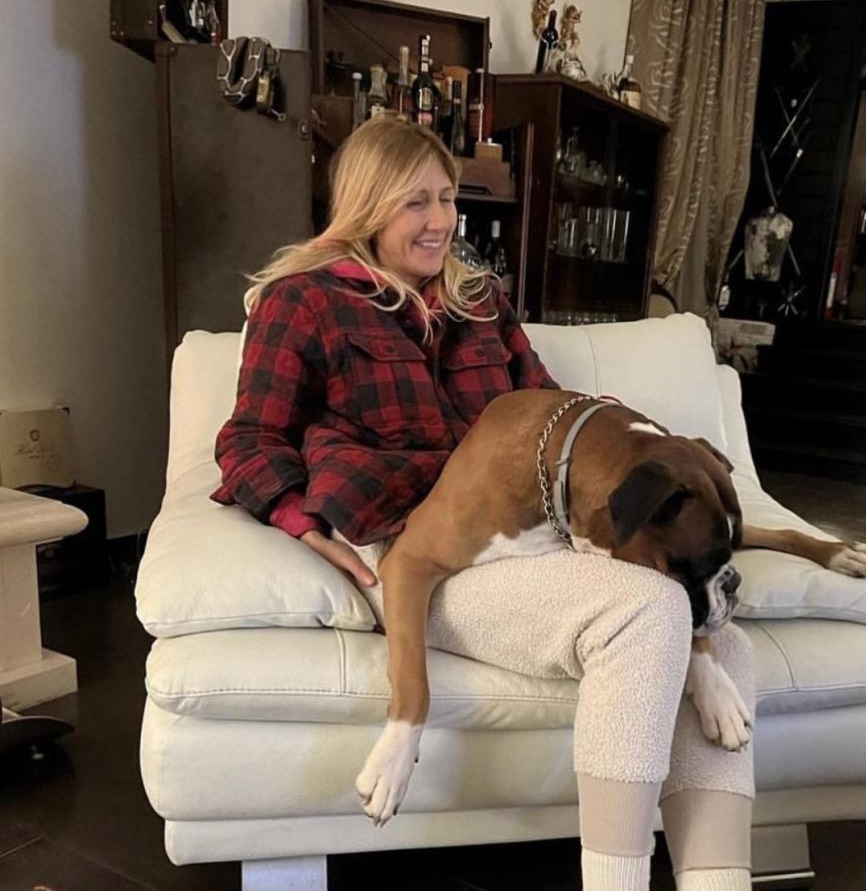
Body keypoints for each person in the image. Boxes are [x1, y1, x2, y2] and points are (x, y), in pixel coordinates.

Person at [212, 117, 755, 891]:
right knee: (654, 610)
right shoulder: (304, 302)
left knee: (724, 643)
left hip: (526, 533)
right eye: (415, 202)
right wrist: (301, 522)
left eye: (447, 198)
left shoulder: (479, 300)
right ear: (366, 205)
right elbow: (248, 439)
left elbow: (547, 409)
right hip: (419, 552)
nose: (441, 220)